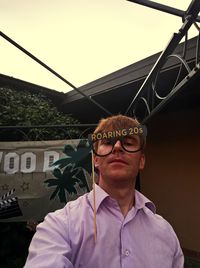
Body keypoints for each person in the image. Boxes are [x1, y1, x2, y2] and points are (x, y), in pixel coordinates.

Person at [24, 114, 184, 268]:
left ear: (141, 161)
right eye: (108, 142)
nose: (117, 147)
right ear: (96, 160)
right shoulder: (61, 226)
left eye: (128, 143)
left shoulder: (165, 232)